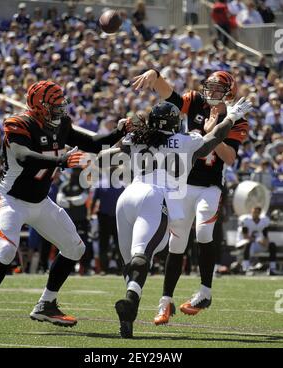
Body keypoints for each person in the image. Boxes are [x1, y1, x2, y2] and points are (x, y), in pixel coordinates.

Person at [0, 80, 129, 334]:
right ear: (39, 106)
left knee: (75, 248)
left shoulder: (60, 124)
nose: (60, 110)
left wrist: (120, 130)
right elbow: (23, 156)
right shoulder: (19, 124)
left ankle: (46, 304)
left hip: (40, 202)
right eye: (55, 106)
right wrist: (62, 160)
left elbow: (93, 143)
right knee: (6, 250)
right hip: (10, 199)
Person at [105, 99, 251, 338]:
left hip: (127, 196)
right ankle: (131, 302)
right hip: (154, 196)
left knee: (130, 262)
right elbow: (213, 140)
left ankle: (130, 309)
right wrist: (231, 117)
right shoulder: (185, 141)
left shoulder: (136, 138)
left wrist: (77, 158)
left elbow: (108, 157)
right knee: (142, 255)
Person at [132, 69, 249, 323]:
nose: (211, 92)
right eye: (211, 86)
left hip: (210, 186)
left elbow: (229, 158)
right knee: (177, 243)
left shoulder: (236, 117)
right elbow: (169, 95)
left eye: (218, 89)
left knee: (205, 232)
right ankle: (165, 302)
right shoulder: (196, 100)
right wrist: (155, 74)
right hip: (183, 184)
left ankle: (205, 291)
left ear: (229, 92)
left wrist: (214, 133)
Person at [236, 206, 278, 275]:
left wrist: (266, 242)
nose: (255, 214)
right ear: (251, 212)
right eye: (253, 212)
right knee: (248, 243)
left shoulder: (263, 221)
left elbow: (265, 235)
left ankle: (272, 268)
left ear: (259, 213)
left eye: (257, 212)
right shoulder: (246, 220)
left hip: (258, 244)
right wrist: (258, 240)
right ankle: (245, 267)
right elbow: (245, 236)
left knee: (272, 244)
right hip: (245, 243)